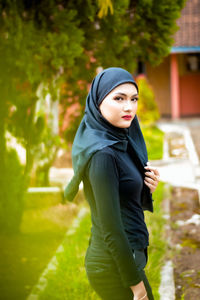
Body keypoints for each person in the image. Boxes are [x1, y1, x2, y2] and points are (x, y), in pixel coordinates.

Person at [64, 67, 160, 300]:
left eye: (133, 99)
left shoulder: (121, 140)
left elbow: (122, 199)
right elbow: (111, 227)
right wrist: (135, 284)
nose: (129, 107)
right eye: (119, 98)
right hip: (112, 267)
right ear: (98, 101)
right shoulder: (103, 155)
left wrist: (147, 186)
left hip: (124, 258)